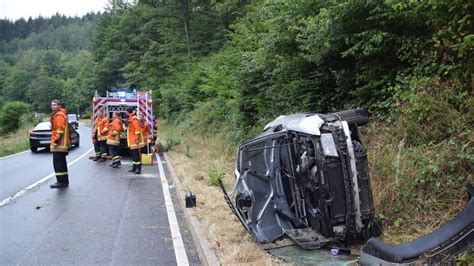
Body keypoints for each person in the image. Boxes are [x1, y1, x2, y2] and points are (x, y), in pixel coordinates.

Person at [50, 100, 70, 188]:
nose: (53, 106)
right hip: (62, 144)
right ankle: (65, 181)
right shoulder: (61, 114)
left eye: (55, 105)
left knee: (57, 163)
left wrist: (56, 141)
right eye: (52, 105)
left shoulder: (59, 115)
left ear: (59, 106)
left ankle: (60, 182)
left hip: (59, 144)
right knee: (62, 162)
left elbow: (59, 129)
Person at [126, 107, 144, 174]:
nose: (125, 112)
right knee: (133, 155)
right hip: (132, 140)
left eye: (126, 111)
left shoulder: (134, 119)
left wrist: (136, 139)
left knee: (136, 155)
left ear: (128, 112)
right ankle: (134, 168)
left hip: (135, 140)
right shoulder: (131, 118)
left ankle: (138, 169)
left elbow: (137, 130)